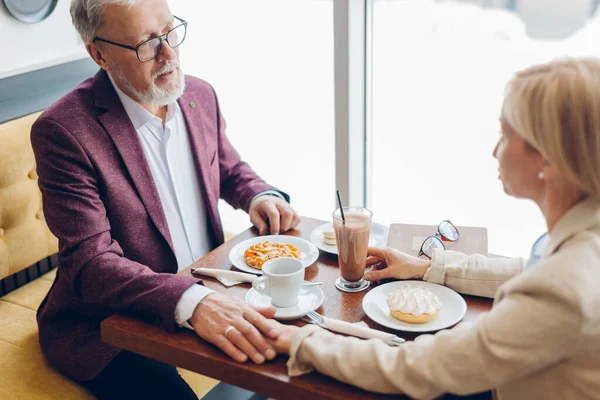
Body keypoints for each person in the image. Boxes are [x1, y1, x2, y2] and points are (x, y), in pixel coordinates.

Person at [269, 58, 600, 399]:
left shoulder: (565, 288)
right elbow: (528, 272)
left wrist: (305, 342)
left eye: (504, 134)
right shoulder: (585, 237)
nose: (493, 150)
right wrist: (429, 267)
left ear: (548, 158)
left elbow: (422, 367)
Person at [31, 0, 300, 398]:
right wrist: (192, 301)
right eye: (146, 44)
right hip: (110, 320)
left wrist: (258, 194)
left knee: (301, 365)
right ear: (99, 54)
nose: (169, 53)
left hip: (213, 282)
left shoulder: (200, 94)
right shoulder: (64, 131)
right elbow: (91, 263)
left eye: (171, 31)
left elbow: (226, 165)